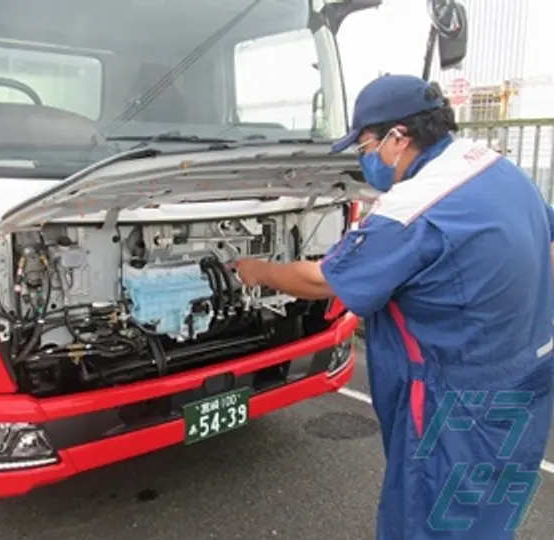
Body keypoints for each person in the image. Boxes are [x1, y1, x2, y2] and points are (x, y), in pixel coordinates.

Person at [232, 74, 554, 540]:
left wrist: (257, 270)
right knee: (491, 513)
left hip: (456, 408)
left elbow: (321, 280)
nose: (365, 158)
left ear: (398, 137)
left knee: (428, 522)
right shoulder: (496, 168)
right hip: (528, 380)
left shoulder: (413, 208)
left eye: (365, 144)